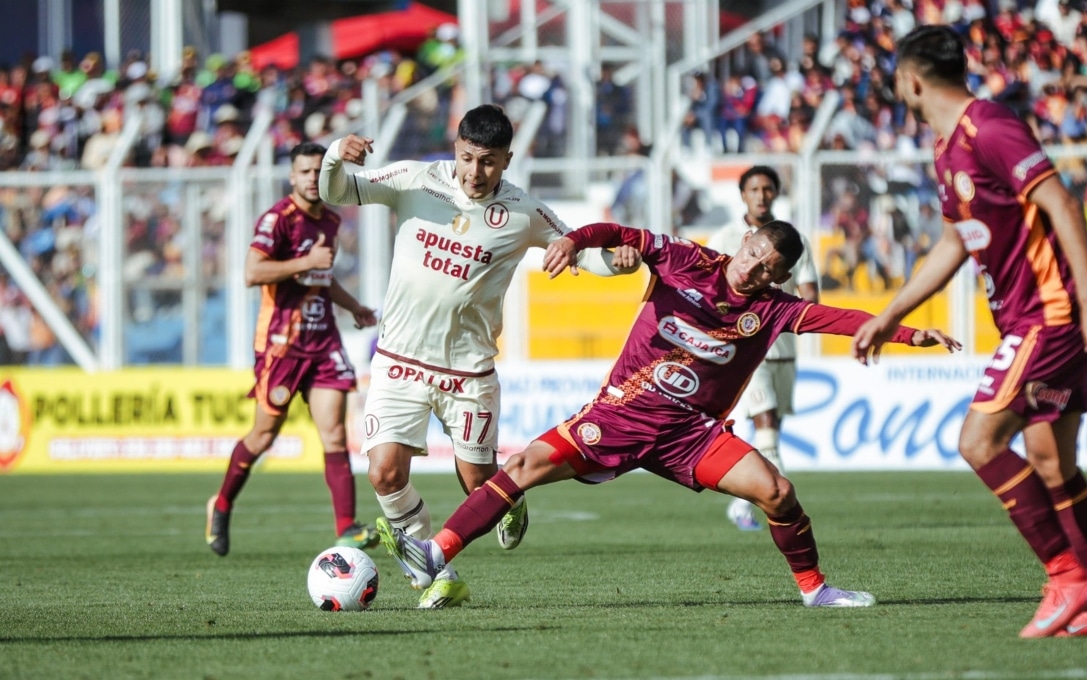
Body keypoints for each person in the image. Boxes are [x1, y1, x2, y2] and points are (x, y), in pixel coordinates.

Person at [385, 220, 959, 608]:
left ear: (779, 277)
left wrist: (910, 334)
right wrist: (576, 242)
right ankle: (434, 553)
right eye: (754, 253)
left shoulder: (777, 309)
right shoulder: (685, 258)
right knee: (526, 464)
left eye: (768, 268)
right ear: (744, 242)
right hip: (620, 415)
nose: (754, 269)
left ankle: (815, 590)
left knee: (777, 492)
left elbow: (843, 319)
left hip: (691, 436)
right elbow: (620, 232)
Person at [851, 25, 1087, 638]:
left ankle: (1068, 577)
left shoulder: (990, 127)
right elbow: (954, 242)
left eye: (897, 78)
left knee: (978, 442)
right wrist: (891, 314)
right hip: (1035, 316)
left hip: (1049, 314)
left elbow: (1062, 202)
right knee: (1053, 464)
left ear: (911, 79)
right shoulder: (947, 149)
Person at [318, 104, 637, 609]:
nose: (475, 172)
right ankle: (436, 575)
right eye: (467, 158)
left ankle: (510, 498)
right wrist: (338, 153)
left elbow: (578, 252)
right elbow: (334, 190)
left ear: (507, 160)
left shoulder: (523, 212)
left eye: (488, 161)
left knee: (479, 483)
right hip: (399, 361)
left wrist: (617, 263)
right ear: (455, 149)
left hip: (469, 373)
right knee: (383, 473)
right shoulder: (414, 180)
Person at [206, 142, 380, 558]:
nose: (311, 178)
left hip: (323, 344)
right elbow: (252, 272)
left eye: (318, 171)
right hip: (282, 345)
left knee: (335, 433)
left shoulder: (332, 222)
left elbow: (323, 276)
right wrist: (303, 262)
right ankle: (222, 503)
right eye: (304, 171)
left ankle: (346, 528)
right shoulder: (278, 219)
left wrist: (353, 306)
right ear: (292, 176)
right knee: (264, 434)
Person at [705, 166, 819, 531]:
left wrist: (805, 311)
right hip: (746, 350)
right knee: (765, 421)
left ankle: (743, 502)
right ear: (743, 194)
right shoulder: (724, 237)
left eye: (768, 188)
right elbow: (712, 290)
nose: (761, 195)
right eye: (754, 188)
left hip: (785, 348)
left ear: (775, 194)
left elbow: (810, 292)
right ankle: (781, 506)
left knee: (773, 428)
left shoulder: (795, 242)